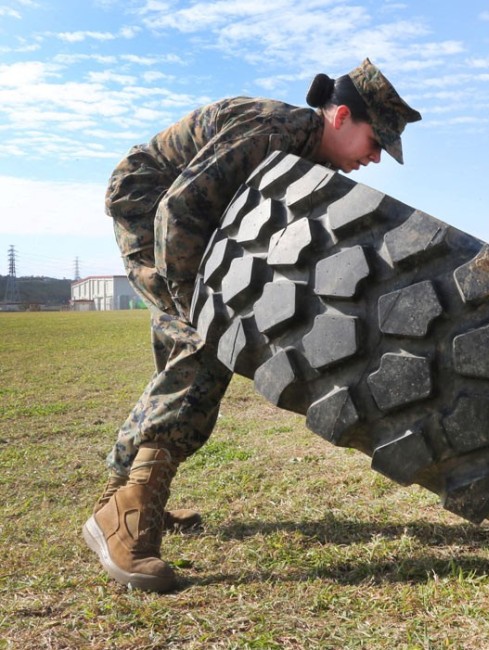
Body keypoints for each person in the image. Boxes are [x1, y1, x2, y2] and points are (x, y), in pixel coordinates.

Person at [82, 59, 421, 593]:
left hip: (184, 216)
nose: (375, 157)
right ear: (340, 117)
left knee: (191, 344)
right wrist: (193, 303)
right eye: (375, 141)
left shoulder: (307, 157)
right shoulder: (277, 131)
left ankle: (128, 494)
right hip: (148, 202)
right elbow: (178, 208)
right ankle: (125, 516)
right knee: (205, 343)